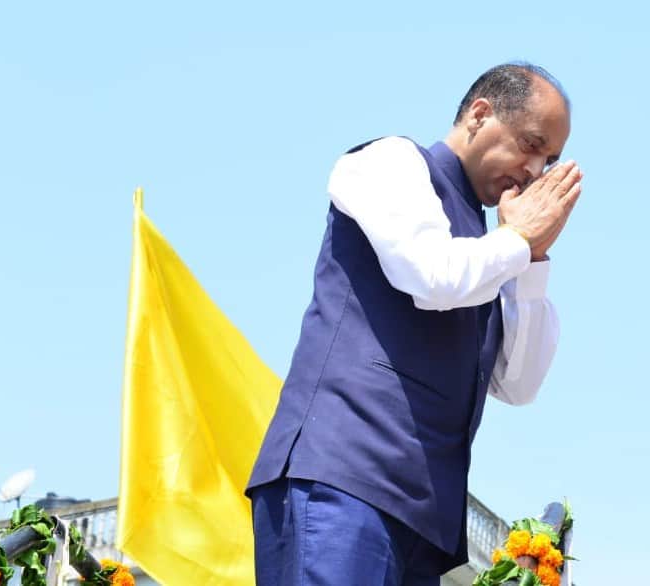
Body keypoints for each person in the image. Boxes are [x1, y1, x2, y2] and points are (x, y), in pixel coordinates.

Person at [247, 62, 581, 585]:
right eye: (530, 144)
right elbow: (432, 277)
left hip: (422, 525)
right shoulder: (388, 163)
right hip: (344, 484)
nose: (535, 172)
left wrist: (532, 260)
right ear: (480, 115)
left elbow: (519, 384)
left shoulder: (491, 246)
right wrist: (515, 242)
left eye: (550, 160)